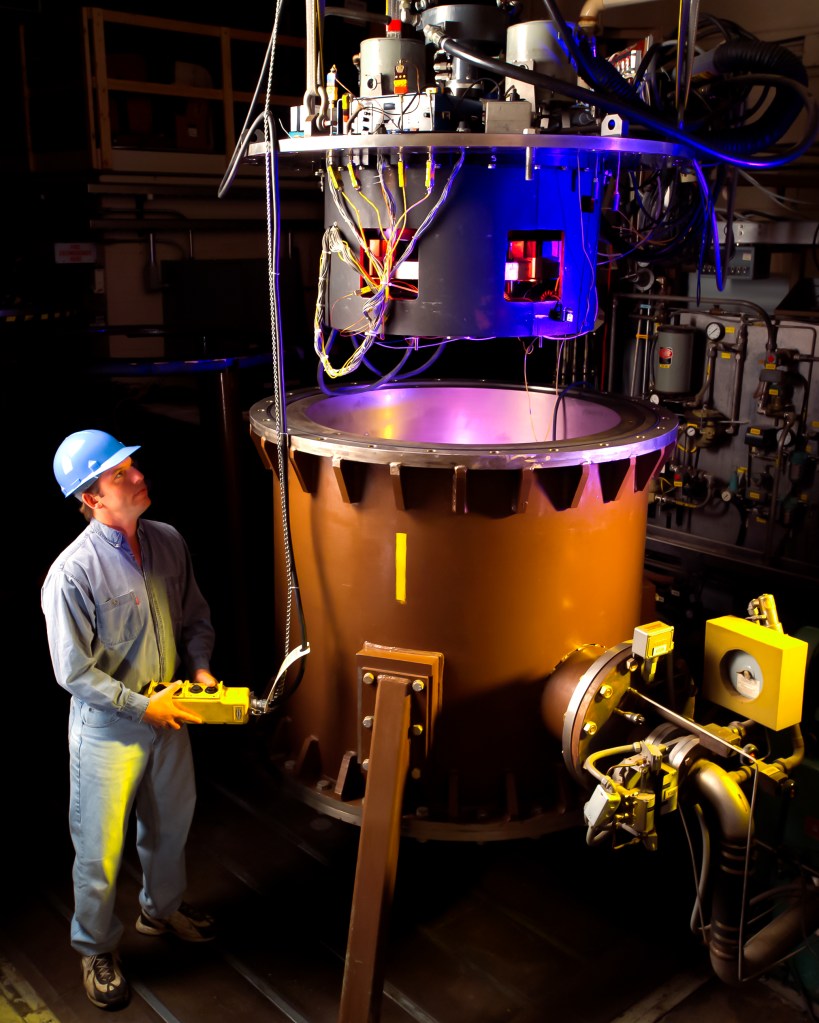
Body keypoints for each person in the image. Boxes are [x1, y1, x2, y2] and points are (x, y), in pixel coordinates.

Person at [41, 428, 218, 1010]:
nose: (138, 475)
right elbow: (75, 674)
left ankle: (160, 912)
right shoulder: (71, 574)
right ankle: (95, 946)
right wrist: (145, 706)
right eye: (120, 474)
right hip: (109, 730)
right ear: (91, 499)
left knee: (171, 826)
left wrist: (199, 668)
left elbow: (195, 614)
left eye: (132, 464)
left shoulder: (167, 541)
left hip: (171, 714)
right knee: (98, 850)